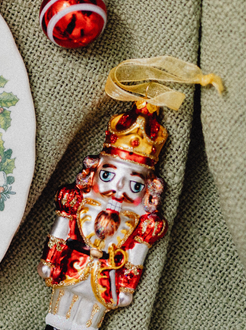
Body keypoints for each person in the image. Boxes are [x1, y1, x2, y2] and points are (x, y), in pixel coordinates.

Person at [37, 101, 168, 330]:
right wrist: (49, 260)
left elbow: (137, 253)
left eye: (134, 186)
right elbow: (62, 227)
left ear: (149, 189)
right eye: (108, 176)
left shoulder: (141, 222)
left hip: (106, 278)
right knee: (58, 314)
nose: (118, 189)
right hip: (72, 266)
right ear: (94, 170)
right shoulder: (77, 200)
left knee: (89, 321)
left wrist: (127, 287)